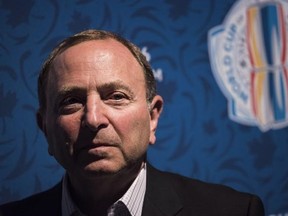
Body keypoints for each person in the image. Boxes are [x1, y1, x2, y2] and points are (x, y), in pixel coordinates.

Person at [0, 29, 264, 216]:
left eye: (116, 97)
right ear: (45, 128)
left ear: (152, 117)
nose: (93, 119)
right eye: (71, 101)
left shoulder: (234, 211)